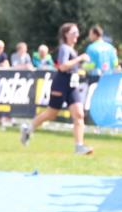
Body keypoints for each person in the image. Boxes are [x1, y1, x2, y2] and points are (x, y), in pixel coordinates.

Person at [20, 23, 93, 155]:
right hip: (61, 83)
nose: (77, 35)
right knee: (51, 114)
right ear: (66, 34)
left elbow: (71, 67)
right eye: (73, 32)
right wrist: (80, 58)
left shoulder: (72, 49)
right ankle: (28, 129)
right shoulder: (64, 48)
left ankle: (79, 146)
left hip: (71, 85)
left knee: (79, 114)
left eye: (77, 32)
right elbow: (62, 67)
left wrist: (82, 67)